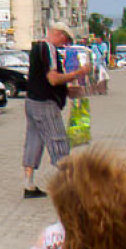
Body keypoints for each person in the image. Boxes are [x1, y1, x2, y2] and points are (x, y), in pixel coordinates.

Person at [22, 22, 91, 199]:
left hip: (31, 101)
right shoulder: (49, 49)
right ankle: (69, 186)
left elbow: (42, 80)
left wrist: (66, 91)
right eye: (66, 40)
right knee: (58, 141)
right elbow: (53, 79)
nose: (65, 44)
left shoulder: (37, 48)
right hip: (44, 104)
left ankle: (28, 184)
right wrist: (78, 73)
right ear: (60, 35)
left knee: (34, 141)